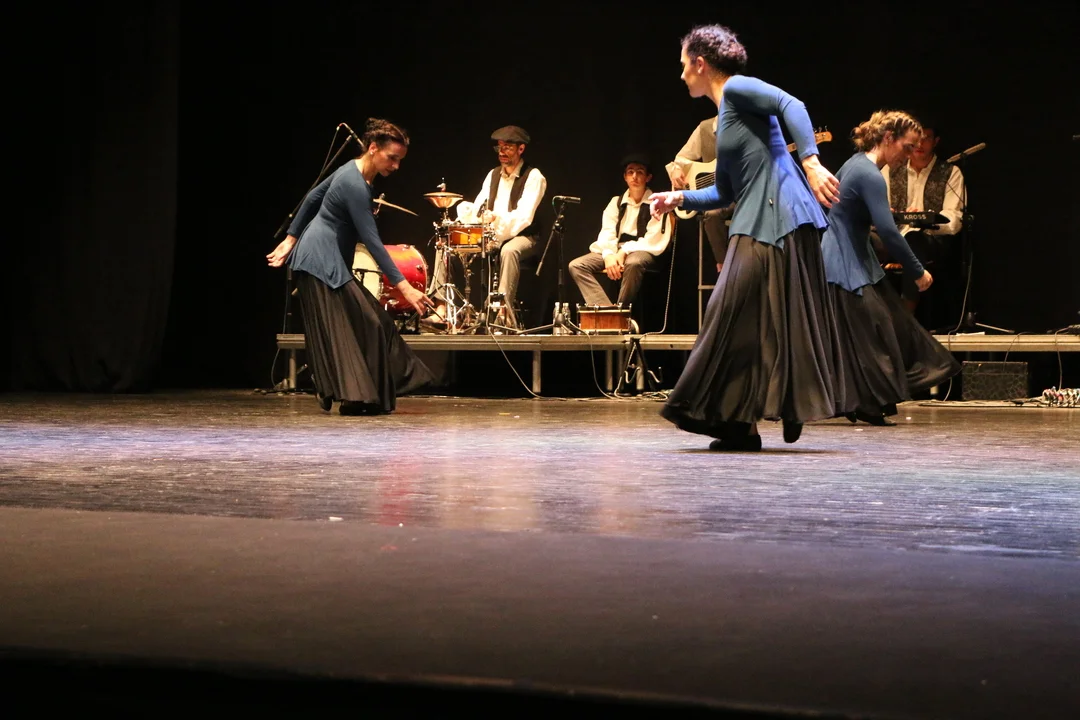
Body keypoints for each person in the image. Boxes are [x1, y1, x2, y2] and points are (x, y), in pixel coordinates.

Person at [649, 24, 843, 451]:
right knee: (753, 322)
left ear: (701, 64)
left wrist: (811, 162)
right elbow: (724, 191)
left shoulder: (737, 88)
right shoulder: (724, 121)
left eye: (683, 65)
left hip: (777, 218)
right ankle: (744, 423)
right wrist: (677, 197)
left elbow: (791, 104)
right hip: (760, 219)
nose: (681, 74)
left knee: (734, 315)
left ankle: (752, 413)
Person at [266, 118, 434, 415]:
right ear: (373, 148)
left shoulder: (353, 172)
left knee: (377, 323)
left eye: (400, 160)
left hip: (326, 260)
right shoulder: (354, 184)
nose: (396, 166)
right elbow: (372, 242)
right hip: (320, 262)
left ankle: (367, 395)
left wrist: (291, 240)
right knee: (354, 328)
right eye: (392, 158)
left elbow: (313, 197)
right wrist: (405, 287)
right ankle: (355, 398)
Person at [822, 111, 961, 426]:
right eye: (907, 147)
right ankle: (866, 401)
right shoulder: (869, 173)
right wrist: (918, 271)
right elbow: (888, 231)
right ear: (888, 139)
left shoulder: (856, 165)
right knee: (875, 331)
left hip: (851, 259)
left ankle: (867, 401)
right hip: (845, 263)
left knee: (880, 328)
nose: (909, 155)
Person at [431, 125, 547, 330]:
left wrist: (495, 223)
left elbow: (523, 218)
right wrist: (470, 221)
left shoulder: (534, 177)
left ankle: (502, 313)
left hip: (525, 236)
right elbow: (478, 208)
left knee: (509, 250)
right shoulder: (493, 175)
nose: (502, 152)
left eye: (507, 147)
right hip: (491, 234)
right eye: (499, 147)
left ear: (521, 149)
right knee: (445, 246)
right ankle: (441, 309)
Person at [880, 121, 965, 328]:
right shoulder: (890, 170)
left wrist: (925, 219)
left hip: (932, 241)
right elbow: (880, 209)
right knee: (869, 241)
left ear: (936, 141)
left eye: (926, 138)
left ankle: (905, 319)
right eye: (916, 138)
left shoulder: (950, 172)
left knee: (914, 239)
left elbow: (954, 218)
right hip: (895, 237)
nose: (920, 144)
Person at [568, 155, 672, 308]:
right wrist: (608, 255)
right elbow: (607, 232)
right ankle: (607, 311)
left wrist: (624, 251)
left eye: (640, 172)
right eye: (630, 172)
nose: (634, 176)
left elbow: (653, 239)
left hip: (643, 249)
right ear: (625, 177)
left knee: (633, 262)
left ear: (648, 177)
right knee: (577, 265)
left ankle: (622, 310)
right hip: (615, 249)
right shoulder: (616, 202)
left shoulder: (657, 203)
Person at [666, 117, 735, 273]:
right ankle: (724, 265)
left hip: (744, 193)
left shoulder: (747, 123)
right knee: (711, 213)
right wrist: (677, 169)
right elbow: (682, 157)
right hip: (717, 195)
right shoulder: (705, 128)